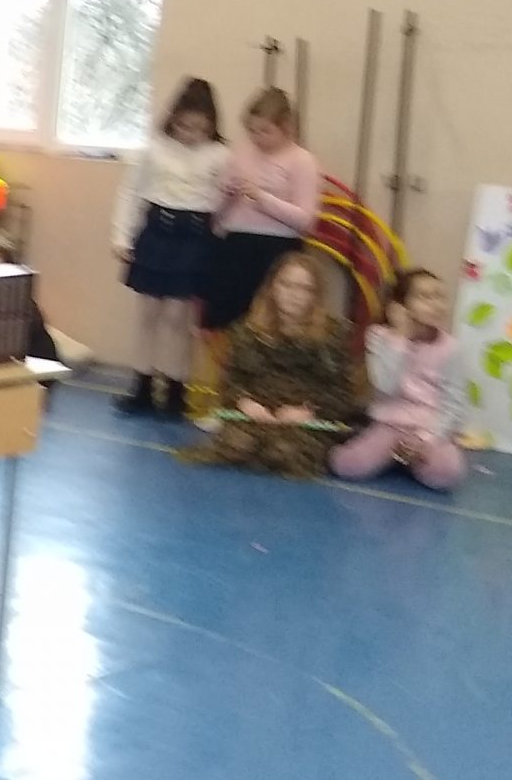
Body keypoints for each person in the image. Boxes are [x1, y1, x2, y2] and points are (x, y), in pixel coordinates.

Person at [112, 77, 231, 419]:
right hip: (157, 232)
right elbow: (131, 193)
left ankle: (176, 389)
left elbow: (224, 201)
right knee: (148, 314)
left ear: (211, 125)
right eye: (184, 127)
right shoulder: (154, 149)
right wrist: (122, 237)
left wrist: (218, 239)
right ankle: (143, 386)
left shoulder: (221, 155)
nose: (191, 135)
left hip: (194, 237)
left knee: (178, 318)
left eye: (199, 129)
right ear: (173, 119)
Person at [184, 249, 355, 479]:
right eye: (286, 285)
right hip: (256, 414)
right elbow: (232, 380)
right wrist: (245, 402)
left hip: (304, 421)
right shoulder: (249, 329)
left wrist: (307, 412)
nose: (293, 295)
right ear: (273, 287)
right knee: (238, 444)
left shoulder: (331, 336)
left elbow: (341, 393)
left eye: (304, 288)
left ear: (315, 295)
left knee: (283, 452)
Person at [331, 268, 467, 491]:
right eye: (425, 297)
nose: (436, 304)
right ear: (400, 306)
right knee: (346, 466)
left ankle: (407, 460)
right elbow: (386, 387)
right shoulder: (379, 337)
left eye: (439, 296)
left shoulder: (451, 349)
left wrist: (426, 439)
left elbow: (454, 403)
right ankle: (388, 453)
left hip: (428, 429)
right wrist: (400, 339)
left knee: (446, 474)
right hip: (388, 425)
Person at [201, 88, 320, 338]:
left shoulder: (302, 160)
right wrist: (225, 193)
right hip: (235, 244)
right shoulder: (241, 153)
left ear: (286, 127)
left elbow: (306, 219)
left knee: (270, 321)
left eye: (265, 131)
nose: (257, 138)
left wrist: (263, 198)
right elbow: (215, 212)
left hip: (277, 249)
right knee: (225, 320)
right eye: (252, 131)